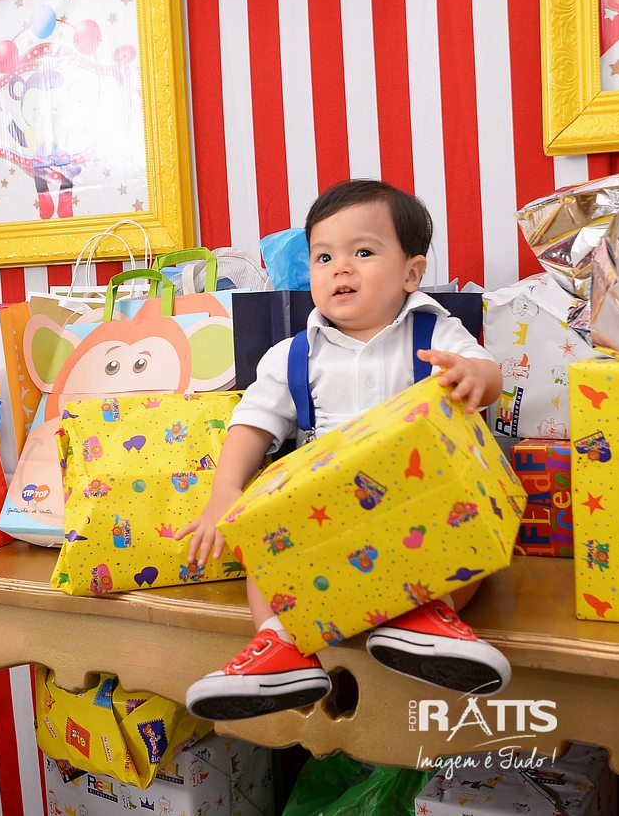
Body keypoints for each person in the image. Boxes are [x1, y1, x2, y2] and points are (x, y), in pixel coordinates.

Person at [179, 179, 509, 721]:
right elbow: (253, 422)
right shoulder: (293, 355)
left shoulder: (433, 333)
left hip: (413, 505)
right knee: (266, 537)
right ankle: (281, 644)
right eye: (324, 257)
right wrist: (226, 490)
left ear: (411, 273)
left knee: (466, 526)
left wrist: (474, 376)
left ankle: (430, 618)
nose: (341, 269)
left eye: (363, 252)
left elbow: (489, 373)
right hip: (324, 514)